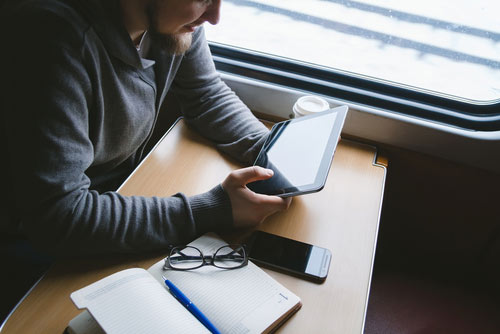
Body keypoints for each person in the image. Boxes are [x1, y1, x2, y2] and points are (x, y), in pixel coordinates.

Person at [0, 0, 292, 257]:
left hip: (115, 198)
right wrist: (213, 210)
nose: (214, 16)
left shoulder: (175, 20)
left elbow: (205, 93)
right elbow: (59, 217)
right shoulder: (50, 39)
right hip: (39, 237)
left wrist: (270, 152)